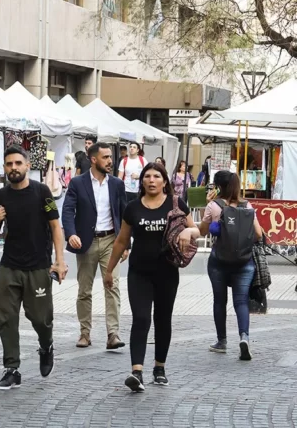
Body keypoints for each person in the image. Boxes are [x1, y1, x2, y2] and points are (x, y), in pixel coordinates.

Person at [103, 163, 200, 392]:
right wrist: (109, 270)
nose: (152, 180)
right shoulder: (133, 208)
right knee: (141, 319)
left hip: (167, 272)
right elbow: (121, 241)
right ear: (142, 181)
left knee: (163, 319)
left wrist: (188, 231)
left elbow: (197, 230)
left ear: (165, 181)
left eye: (157, 176)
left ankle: (159, 367)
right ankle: (137, 371)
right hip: (139, 272)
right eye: (147, 176)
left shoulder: (175, 204)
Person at [0, 145, 68, 390]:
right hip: (9, 265)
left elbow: (55, 226)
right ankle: (12, 369)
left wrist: (60, 260)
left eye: (18, 164)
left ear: (27, 166)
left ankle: (46, 345)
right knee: (6, 318)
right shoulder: (2, 196)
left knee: (40, 318)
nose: (13, 168)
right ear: (4, 168)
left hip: (38, 266)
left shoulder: (42, 192)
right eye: (9, 164)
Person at [62, 143, 128, 349]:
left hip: (111, 241)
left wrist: (126, 244)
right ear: (93, 159)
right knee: (84, 290)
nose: (110, 161)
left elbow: (125, 215)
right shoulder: (77, 183)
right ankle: (85, 333)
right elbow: (67, 211)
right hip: (86, 241)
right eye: (105, 157)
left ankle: (113, 334)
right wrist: (71, 234)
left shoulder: (117, 184)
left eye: (111, 157)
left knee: (112, 286)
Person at [200, 171, 262, 360]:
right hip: (244, 262)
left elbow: (202, 231)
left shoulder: (214, 206)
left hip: (219, 261)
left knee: (220, 301)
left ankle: (222, 341)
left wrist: (207, 206)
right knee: (241, 301)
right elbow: (259, 234)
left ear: (219, 187)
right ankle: (244, 337)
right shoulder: (247, 205)